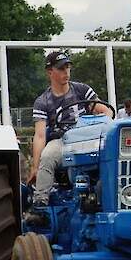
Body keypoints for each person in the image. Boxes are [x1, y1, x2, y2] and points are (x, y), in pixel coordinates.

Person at [28, 51, 112, 210]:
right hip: (62, 141)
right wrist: (34, 166)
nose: (66, 72)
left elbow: (105, 111)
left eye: (68, 67)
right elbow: (39, 135)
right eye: (61, 68)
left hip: (88, 139)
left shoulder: (82, 90)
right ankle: (40, 203)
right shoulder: (42, 101)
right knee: (47, 156)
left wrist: (100, 125)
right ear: (50, 72)